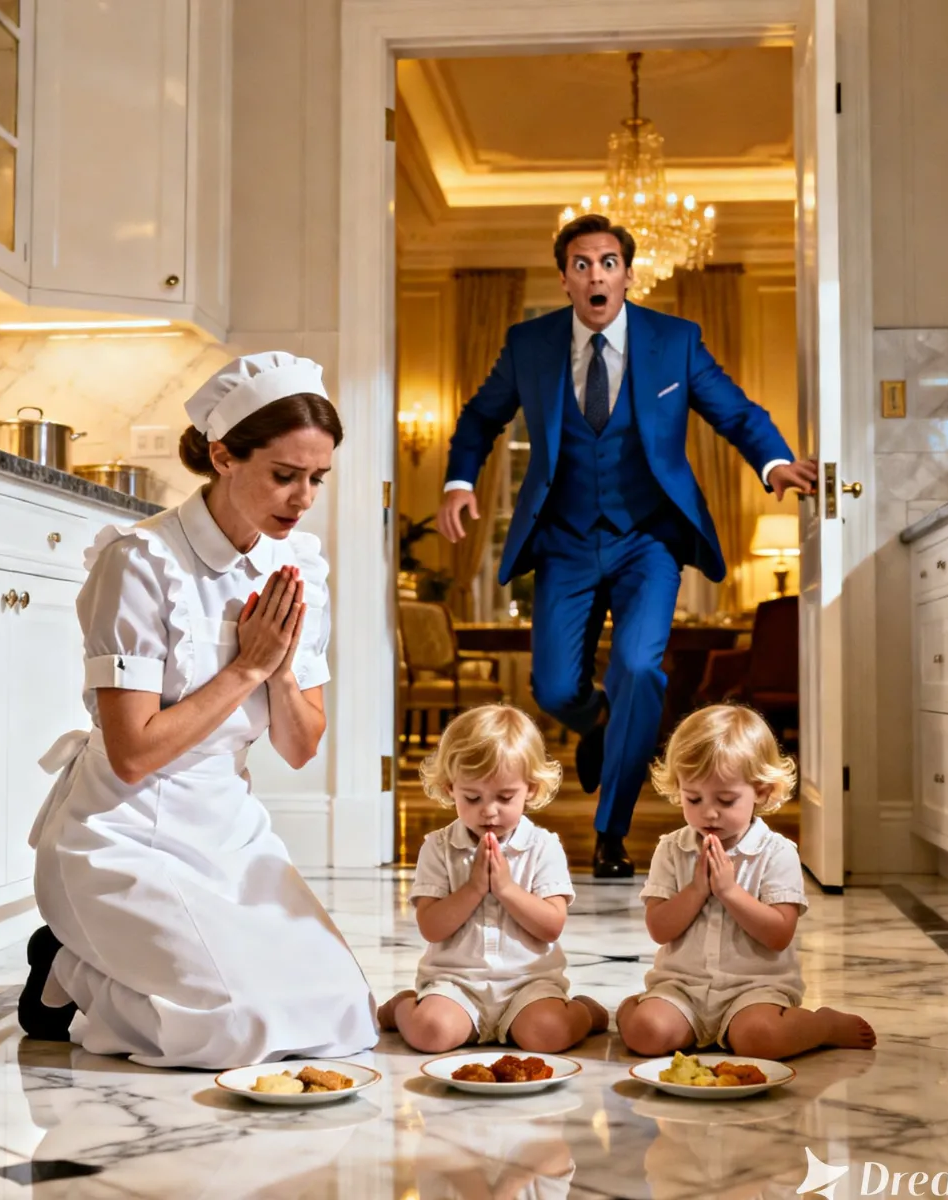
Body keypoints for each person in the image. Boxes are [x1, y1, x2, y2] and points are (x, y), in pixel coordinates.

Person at [18, 352, 378, 1069]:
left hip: (227, 827)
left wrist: (279, 668)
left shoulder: (300, 568)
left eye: (318, 478)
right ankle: (70, 968)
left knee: (345, 1013)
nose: (304, 498)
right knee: (239, 1026)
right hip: (121, 829)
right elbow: (133, 754)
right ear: (222, 456)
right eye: (285, 475)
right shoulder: (139, 562)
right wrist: (246, 667)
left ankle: (93, 963)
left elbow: (300, 747)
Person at [437, 214, 817, 878]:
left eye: (608, 262)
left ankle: (610, 832)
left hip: (649, 540)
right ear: (565, 279)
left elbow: (735, 411)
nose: (596, 275)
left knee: (640, 670)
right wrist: (460, 481)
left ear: (628, 275)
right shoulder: (530, 344)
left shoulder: (675, 340)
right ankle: (600, 723)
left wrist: (774, 462)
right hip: (564, 539)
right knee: (555, 688)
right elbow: (479, 416)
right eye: (581, 264)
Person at [616, 704, 876, 1059]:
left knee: (761, 1039)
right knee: (646, 1034)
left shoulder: (776, 852)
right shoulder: (672, 849)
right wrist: (696, 890)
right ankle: (634, 1008)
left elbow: (779, 934)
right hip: (681, 988)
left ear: (762, 792)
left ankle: (824, 1025)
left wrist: (729, 892)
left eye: (726, 800)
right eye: (693, 798)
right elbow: (659, 930)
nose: (708, 812)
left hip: (754, 991)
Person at [377, 704, 609, 1054]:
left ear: (531, 789)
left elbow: (551, 926)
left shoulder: (542, 847)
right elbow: (431, 928)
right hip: (456, 985)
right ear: (449, 788)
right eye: (472, 797)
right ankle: (402, 1007)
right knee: (431, 1033)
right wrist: (473, 888)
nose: (488, 810)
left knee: (550, 1034)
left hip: (528, 985)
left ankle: (584, 1013)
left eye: (505, 797)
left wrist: (506, 889)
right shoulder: (438, 848)